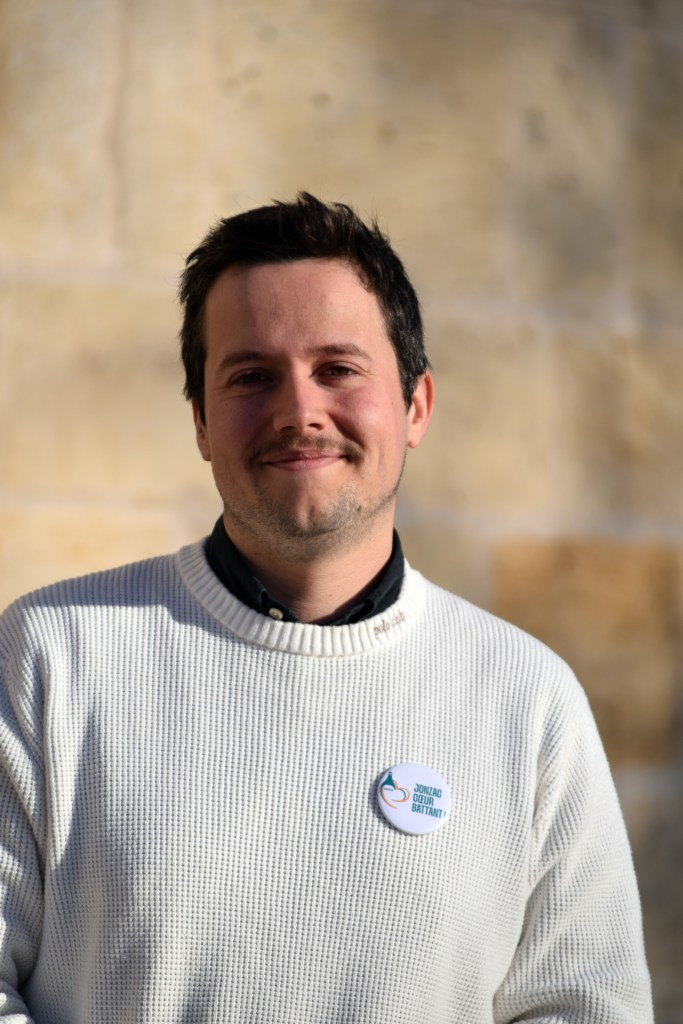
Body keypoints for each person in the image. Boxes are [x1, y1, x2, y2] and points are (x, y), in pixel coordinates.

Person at [0, 193, 652, 1023]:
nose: (298, 412)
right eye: (251, 376)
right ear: (200, 422)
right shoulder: (51, 656)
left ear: (415, 406)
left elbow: (586, 1006)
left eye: (338, 369)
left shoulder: (526, 698)